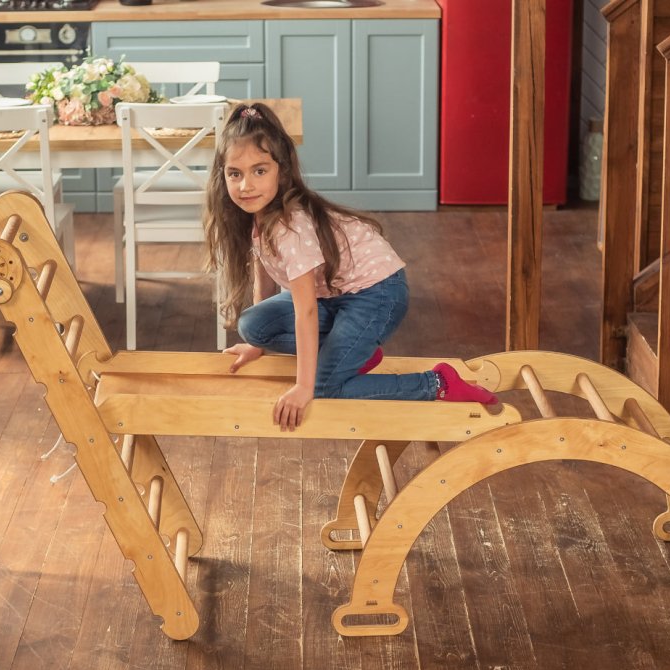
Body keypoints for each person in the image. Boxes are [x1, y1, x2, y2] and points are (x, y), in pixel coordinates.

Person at [204, 102, 501, 431]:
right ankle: (353, 353)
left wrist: (304, 387)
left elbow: (305, 312)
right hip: (333, 294)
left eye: (259, 171)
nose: (246, 185)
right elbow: (265, 277)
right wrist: (257, 347)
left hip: (376, 293)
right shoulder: (255, 217)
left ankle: (437, 384)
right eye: (235, 174)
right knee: (253, 326)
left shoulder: (290, 228)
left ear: (282, 171)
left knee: (325, 387)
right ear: (223, 176)